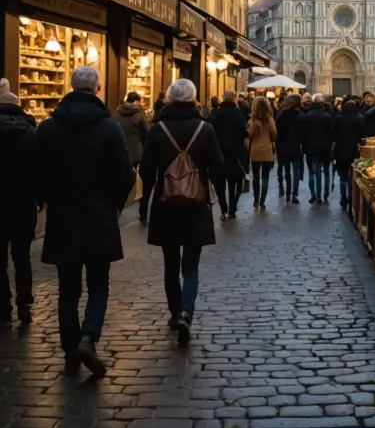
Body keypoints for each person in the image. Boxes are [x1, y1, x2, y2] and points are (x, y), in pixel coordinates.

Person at [35, 67, 135, 377]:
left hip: (63, 219)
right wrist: (113, 206)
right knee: (98, 286)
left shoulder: (49, 128)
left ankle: (70, 348)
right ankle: (89, 337)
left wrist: (49, 201)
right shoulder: (109, 129)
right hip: (98, 218)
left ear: (70, 87)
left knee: (68, 289)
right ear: (98, 88)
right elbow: (125, 176)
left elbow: (37, 174)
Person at [138, 79, 224, 343]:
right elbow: (217, 167)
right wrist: (208, 185)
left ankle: (175, 313)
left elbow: (146, 169)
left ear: (170, 98)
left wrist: (150, 195)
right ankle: (187, 311)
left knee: (170, 264)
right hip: (196, 204)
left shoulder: (157, 129)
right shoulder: (205, 129)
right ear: (194, 99)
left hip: (166, 205)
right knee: (191, 266)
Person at [0, 84, 37, 326]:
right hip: (24, 203)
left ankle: (3, 307)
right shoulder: (32, 132)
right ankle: (24, 305)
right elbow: (39, 169)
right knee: (22, 256)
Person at [210, 90, 248, 219]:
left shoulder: (216, 114)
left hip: (218, 153)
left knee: (220, 184)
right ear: (234, 99)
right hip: (235, 154)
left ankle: (223, 208)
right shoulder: (238, 115)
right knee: (234, 182)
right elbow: (243, 134)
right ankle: (232, 208)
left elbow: (211, 133)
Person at [333, 100, 366, 210]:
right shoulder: (359, 118)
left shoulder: (338, 118)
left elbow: (334, 134)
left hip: (340, 150)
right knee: (352, 176)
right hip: (354, 151)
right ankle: (351, 198)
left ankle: (343, 198)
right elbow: (362, 136)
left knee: (342, 176)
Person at [301, 93, 335, 203]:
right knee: (326, 171)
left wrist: (305, 146)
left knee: (312, 172)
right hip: (325, 148)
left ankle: (314, 194)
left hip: (311, 148)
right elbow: (332, 134)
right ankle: (325, 193)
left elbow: (304, 134)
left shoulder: (307, 116)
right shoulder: (327, 116)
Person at [247, 96, 277, 209]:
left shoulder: (253, 120)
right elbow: (274, 133)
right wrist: (271, 139)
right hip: (267, 150)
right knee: (265, 177)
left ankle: (255, 199)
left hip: (255, 151)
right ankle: (262, 201)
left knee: (255, 177)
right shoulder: (270, 119)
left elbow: (249, 135)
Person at [276, 93, 304, 204]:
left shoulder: (281, 115)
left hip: (283, 146)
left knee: (287, 170)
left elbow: (277, 131)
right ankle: (294, 193)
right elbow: (302, 132)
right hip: (296, 145)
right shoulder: (300, 115)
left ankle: (287, 193)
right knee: (296, 171)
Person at [112, 92, 149, 173]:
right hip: (136, 153)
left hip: (119, 151)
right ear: (136, 102)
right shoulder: (139, 115)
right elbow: (146, 134)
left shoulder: (116, 114)